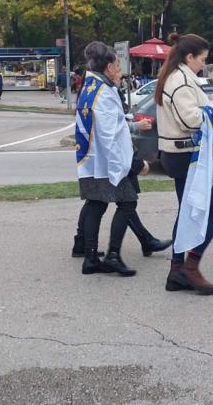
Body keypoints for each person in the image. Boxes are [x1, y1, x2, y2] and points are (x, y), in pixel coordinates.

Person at [156, 33, 213, 295]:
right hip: (184, 155)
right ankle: (189, 267)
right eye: (202, 60)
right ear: (189, 57)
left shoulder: (178, 77)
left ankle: (178, 270)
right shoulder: (180, 80)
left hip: (181, 154)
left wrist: (210, 106)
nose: (203, 64)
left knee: (189, 212)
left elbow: (189, 111)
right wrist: (212, 110)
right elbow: (189, 120)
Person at [75, 42, 150, 277]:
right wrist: (132, 165)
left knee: (96, 204)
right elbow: (110, 136)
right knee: (128, 203)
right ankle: (113, 256)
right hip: (105, 163)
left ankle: (89, 257)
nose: (120, 69)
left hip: (90, 159)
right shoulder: (104, 93)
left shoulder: (90, 87)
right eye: (117, 65)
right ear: (108, 67)